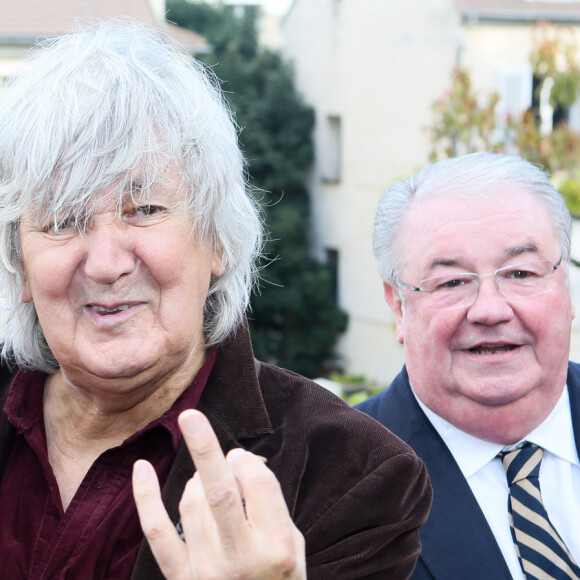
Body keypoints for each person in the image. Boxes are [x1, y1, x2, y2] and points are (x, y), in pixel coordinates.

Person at [0, 19, 432, 580]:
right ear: (21, 264)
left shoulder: (348, 476)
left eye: (145, 209)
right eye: (63, 219)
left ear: (219, 242)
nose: (106, 263)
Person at [357, 152, 580, 579]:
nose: (490, 310)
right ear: (399, 306)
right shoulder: (332, 482)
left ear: (565, 285)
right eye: (452, 282)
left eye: (520, 273)